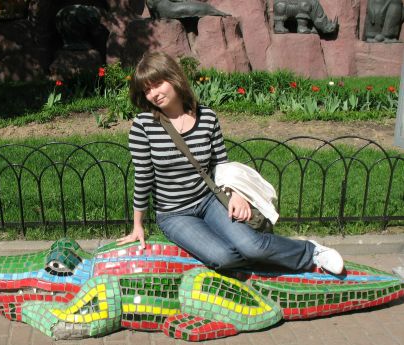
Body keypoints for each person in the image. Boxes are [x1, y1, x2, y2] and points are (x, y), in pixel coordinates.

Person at [117, 51, 344, 274]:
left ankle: (311, 252)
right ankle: (268, 254)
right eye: (147, 90)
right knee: (224, 257)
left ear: (173, 77)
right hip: (174, 213)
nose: (153, 94)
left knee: (253, 246)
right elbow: (143, 178)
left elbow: (221, 164)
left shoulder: (207, 117)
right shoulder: (144, 125)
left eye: (157, 84)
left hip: (209, 200)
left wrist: (235, 194)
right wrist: (138, 225)